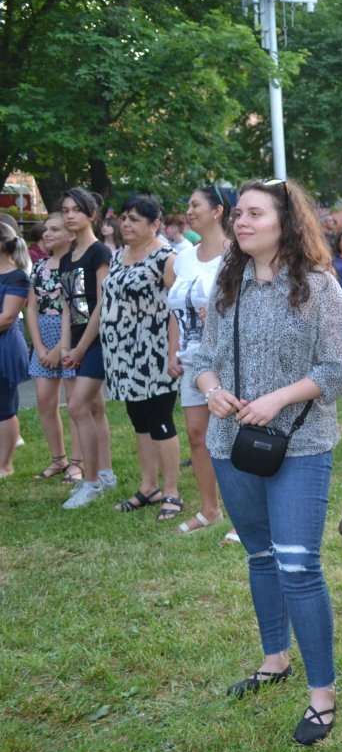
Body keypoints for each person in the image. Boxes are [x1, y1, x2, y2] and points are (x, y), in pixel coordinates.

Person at [193, 177, 342, 747]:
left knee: (298, 566)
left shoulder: (318, 285)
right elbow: (203, 355)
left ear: (286, 222)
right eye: (239, 213)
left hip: (301, 444)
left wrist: (278, 399)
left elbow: (337, 366)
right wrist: (212, 390)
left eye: (255, 213)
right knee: (260, 555)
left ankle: (322, 695)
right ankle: (274, 659)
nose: (241, 221)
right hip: (229, 443)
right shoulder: (227, 280)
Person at [100, 196, 183, 520]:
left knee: (160, 420)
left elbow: (177, 307)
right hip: (122, 354)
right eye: (124, 217)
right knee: (140, 421)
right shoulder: (117, 256)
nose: (125, 224)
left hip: (154, 353)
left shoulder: (166, 258)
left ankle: (172, 492)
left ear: (154, 224)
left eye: (134, 219)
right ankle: (148, 487)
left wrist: (173, 352)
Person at [168, 185, 233, 534]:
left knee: (234, 435)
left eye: (196, 205)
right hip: (192, 359)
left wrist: (222, 315)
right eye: (188, 205)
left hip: (228, 357)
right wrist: (173, 351)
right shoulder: (183, 258)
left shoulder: (237, 254)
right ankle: (210, 509)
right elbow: (175, 309)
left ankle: (243, 515)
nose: (189, 211)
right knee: (197, 434)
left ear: (218, 210)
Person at [59, 187, 117, 508]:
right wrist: (65, 346)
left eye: (76, 210)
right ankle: (105, 474)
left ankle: (91, 481)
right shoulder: (67, 258)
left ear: (91, 215)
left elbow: (102, 304)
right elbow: (68, 307)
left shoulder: (100, 253)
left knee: (77, 406)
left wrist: (81, 348)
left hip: (98, 341)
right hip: (78, 341)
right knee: (94, 408)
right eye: (65, 210)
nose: (69, 215)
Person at [25, 213, 82, 481]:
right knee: (45, 402)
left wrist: (60, 348)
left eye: (55, 230)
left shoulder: (77, 266)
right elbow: (31, 307)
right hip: (43, 338)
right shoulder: (38, 266)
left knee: (75, 405)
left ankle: (78, 462)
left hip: (69, 338)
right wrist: (39, 347)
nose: (46, 234)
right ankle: (58, 459)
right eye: (46, 229)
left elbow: (79, 309)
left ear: (70, 235)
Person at [0, 224, 30, 477]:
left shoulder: (17, 276)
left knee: (4, 408)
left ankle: (5, 465)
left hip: (5, 347)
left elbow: (8, 318)